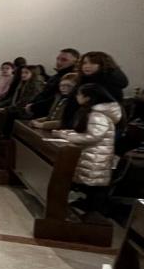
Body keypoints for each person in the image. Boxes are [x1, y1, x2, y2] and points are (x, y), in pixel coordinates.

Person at [53, 84, 123, 213]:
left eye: (79, 94)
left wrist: (67, 137)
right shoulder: (97, 112)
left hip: (95, 156)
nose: (76, 96)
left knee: (91, 188)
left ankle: (86, 215)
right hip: (95, 154)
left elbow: (93, 137)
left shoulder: (97, 115)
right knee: (90, 189)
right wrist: (68, 133)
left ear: (87, 97)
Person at [25, 48, 79, 120]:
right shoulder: (56, 76)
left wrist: (32, 107)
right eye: (58, 59)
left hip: (48, 114)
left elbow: (54, 99)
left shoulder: (70, 79)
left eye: (64, 60)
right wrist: (31, 104)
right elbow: (43, 93)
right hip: (37, 110)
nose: (58, 62)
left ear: (75, 62)